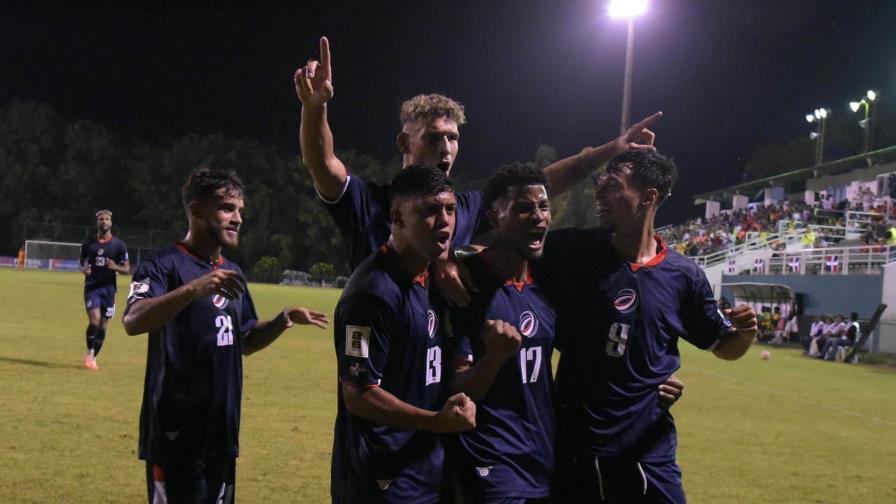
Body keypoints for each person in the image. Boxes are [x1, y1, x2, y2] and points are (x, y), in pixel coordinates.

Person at [294, 36, 661, 298]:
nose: (447, 148)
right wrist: (315, 107)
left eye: (453, 138)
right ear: (405, 143)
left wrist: (610, 149)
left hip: (441, 364)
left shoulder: (465, 208)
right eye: (434, 138)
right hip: (381, 343)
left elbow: (541, 182)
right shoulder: (369, 200)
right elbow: (322, 163)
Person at [533, 149, 758, 503]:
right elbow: (510, 237)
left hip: (648, 449)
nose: (599, 194)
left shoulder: (683, 275)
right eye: (600, 184)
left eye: (612, 186)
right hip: (577, 442)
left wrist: (745, 334)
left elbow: (724, 346)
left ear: (649, 197)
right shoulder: (572, 252)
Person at [122, 168, 329, 504]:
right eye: (226, 208)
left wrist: (281, 321)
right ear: (196, 210)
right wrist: (192, 289)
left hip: (221, 429)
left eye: (240, 211)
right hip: (175, 430)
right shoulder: (163, 264)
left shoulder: (233, 274)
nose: (237, 219)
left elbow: (244, 341)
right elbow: (133, 320)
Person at [331, 165, 477, 504]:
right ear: (397, 218)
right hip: (381, 478)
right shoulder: (372, 294)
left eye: (450, 209)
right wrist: (434, 421)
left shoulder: (430, 281)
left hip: (423, 469)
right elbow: (359, 394)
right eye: (430, 210)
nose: (445, 221)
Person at [79, 209, 129, 370]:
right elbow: (81, 263)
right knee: (94, 320)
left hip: (109, 289)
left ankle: (94, 357)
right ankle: (89, 351)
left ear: (111, 223)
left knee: (102, 324)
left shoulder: (119, 245)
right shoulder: (88, 243)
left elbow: (127, 269)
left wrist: (116, 267)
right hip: (92, 286)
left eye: (107, 219)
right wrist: (84, 269)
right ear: (97, 222)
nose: (104, 222)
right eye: (101, 219)